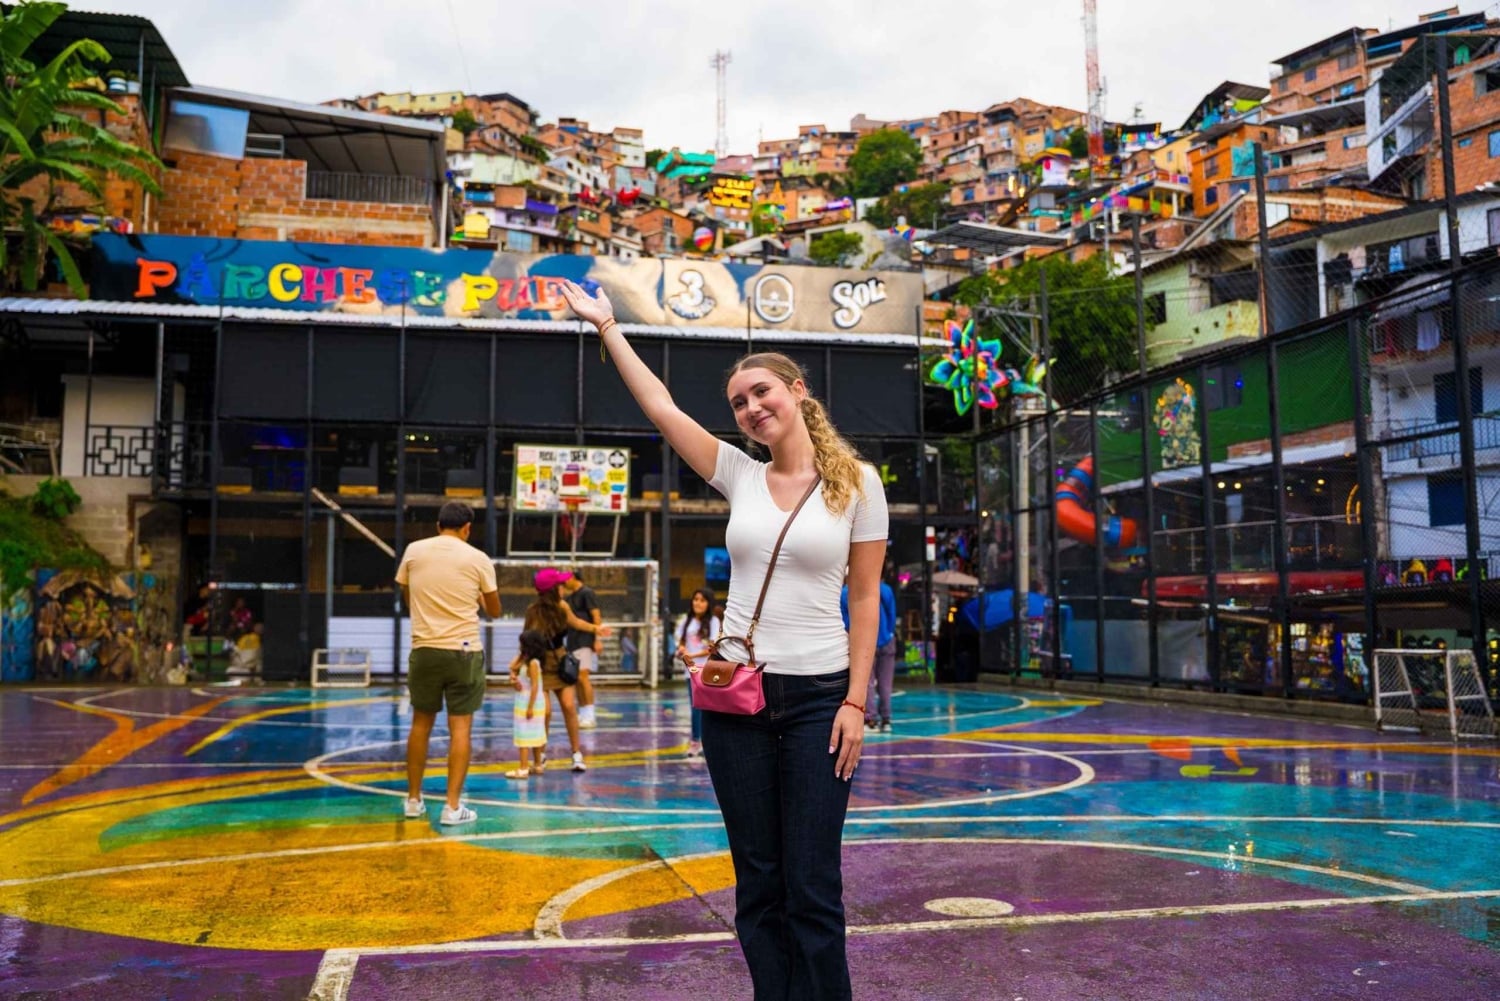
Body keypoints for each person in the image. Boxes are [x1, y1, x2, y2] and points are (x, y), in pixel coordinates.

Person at [561, 279, 887, 1001]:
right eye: (739, 402)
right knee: (758, 881)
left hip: (820, 697)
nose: (751, 408)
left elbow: (864, 598)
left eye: (761, 391)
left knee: (812, 881)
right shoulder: (740, 474)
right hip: (735, 699)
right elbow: (661, 407)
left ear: (797, 391)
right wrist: (607, 326)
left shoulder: (860, 485)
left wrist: (855, 702)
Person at [394, 501, 500, 825]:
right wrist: (477, 596)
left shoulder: (414, 551)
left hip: (424, 649)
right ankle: (452, 807)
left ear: (438, 525)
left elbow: (406, 593)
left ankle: (413, 800)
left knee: (420, 724)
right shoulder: (478, 558)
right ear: (467, 528)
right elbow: (495, 610)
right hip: (463, 652)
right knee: (461, 728)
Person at [525, 567, 611, 773]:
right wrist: (520, 665)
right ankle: (540, 754)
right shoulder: (533, 611)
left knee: (569, 706)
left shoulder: (563, 606)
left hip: (560, 661)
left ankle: (576, 753)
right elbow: (525, 639)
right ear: (552, 590)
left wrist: (596, 629)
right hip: (541, 664)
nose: (563, 588)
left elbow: (577, 622)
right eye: (560, 585)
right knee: (544, 711)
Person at [841, 566, 898, 731]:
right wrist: (889, 633)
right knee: (885, 683)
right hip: (886, 640)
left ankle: (870, 719)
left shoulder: (845, 593)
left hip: (863, 642)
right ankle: (886, 720)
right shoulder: (885, 590)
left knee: (867, 682)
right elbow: (892, 615)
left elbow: (845, 621)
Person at [674, 587, 721, 757]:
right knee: (695, 706)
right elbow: (680, 640)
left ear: (708, 603)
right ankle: (695, 741)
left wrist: (691, 655)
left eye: (702, 600)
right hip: (691, 671)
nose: (698, 603)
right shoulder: (686, 621)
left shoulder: (714, 621)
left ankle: (710, 741)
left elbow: (712, 647)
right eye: (695, 599)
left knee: (709, 708)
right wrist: (681, 649)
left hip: (708, 670)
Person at [506, 629, 549, 780]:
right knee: (535, 733)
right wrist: (513, 676)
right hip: (528, 700)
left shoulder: (532, 664)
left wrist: (530, 707)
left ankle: (523, 767)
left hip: (528, 701)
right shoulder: (526, 661)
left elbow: (535, 686)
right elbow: (512, 666)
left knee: (523, 733)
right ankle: (537, 764)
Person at [561, 571, 602, 728]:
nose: (564, 583)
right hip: (572, 641)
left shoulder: (587, 593)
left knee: (583, 677)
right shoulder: (569, 598)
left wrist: (597, 639)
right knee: (577, 679)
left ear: (573, 578)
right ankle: (583, 713)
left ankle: (590, 715)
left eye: (566, 579)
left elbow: (596, 615)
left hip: (584, 640)